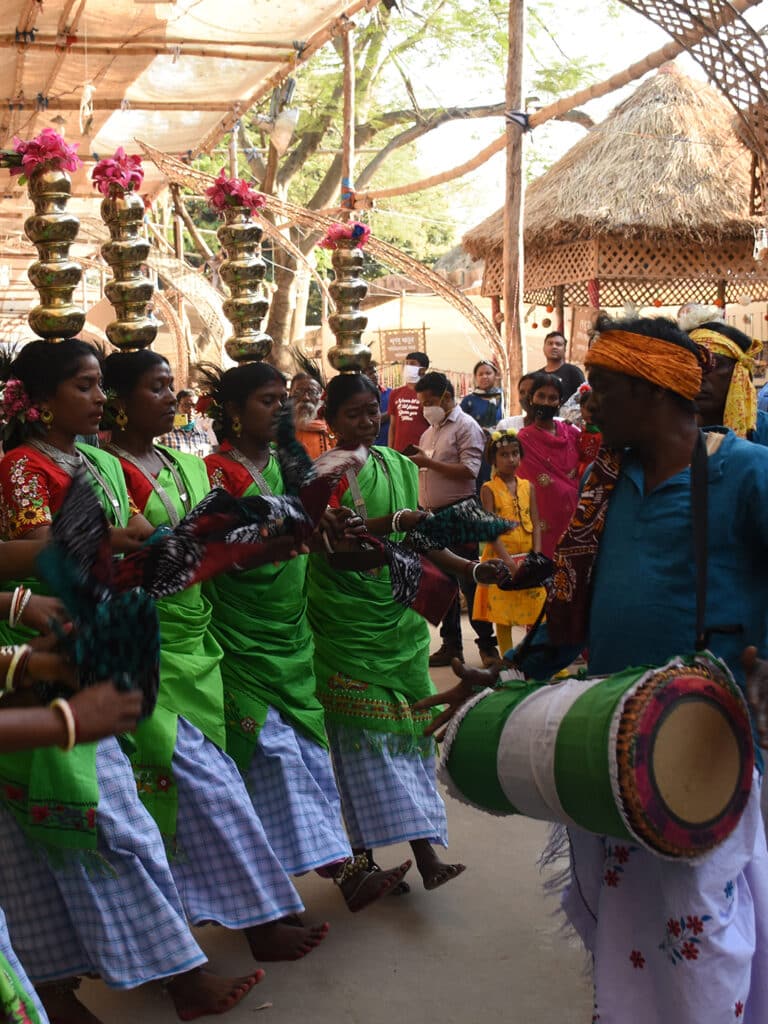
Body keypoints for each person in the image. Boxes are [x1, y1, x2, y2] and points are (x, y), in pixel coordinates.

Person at [422, 315, 768, 1024]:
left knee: (698, 919)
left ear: (654, 392)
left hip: (708, 742)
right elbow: (571, 602)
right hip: (613, 731)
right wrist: (511, 672)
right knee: (630, 917)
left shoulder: (745, 473)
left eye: (604, 390)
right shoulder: (607, 479)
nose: (588, 404)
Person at [0, 339, 262, 1023]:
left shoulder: (91, 462)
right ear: (40, 398)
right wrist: (107, 546)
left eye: (98, 386)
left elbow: (145, 531)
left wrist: (206, 533)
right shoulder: (23, 468)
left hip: (93, 645)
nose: (97, 398)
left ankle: (64, 991)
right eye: (83, 387)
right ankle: (176, 981)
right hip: (44, 656)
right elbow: (45, 553)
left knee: (78, 836)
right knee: (106, 824)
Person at [102, 348, 332, 962]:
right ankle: (252, 927)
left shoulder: (184, 466)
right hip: (142, 644)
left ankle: (222, 928)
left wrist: (274, 545)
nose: (168, 396)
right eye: (155, 387)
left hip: (198, 643)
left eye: (170, 385)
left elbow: (214, 553)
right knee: (209, 785)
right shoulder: (103, 469)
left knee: (211, 785)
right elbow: (128, 561)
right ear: (118, 400)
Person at [200, 360, 411, 911]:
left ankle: (309, 879)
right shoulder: (214, 471)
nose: (282, 412)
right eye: (267, 402)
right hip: (241, 632)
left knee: (306, 759)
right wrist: (291, 536)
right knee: (274, 756)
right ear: (232, 411)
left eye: (283, 402)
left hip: (292, 626)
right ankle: (334, 875)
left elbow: (315, 530)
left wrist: (330, 530)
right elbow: (226, 552)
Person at [307, 372, 503, 891]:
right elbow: (336, 552)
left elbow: (419, 536)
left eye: (374, 410)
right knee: (359, 742)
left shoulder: (397, 461)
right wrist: (395, 525)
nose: (368, 420)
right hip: (346, 628)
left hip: (398, 624)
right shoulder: (324, 473)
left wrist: (473, 570)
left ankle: (426, 856)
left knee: (412, 735)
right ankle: (359, 862)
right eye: (353, 413)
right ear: (329, 421)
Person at [410, 371, 501, 668]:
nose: (426, 408)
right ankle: (451, 646)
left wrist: (427, 463)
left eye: (430, 401)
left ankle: (488, 646)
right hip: (433, 516)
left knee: (469, 581)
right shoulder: (429, 432)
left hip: (460, 510)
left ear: (447, 397)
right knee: (442, 582)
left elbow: (469, 471)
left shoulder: (466, 426)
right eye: (422, 402)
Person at [472, 429, 545, 656]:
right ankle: (508, 662)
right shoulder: (489, 489)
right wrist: (508, 562)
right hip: (500, 561)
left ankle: (540, 659)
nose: (511, 459)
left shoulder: (528, 487)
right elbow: (491, 531)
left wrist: (537, 554)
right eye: (504, 455)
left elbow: (535, 519)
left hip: (527, 558)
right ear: (493, 459)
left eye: (515, 453)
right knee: (503, 616)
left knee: (537, 612)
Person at [517, 372, 581, 559]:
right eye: (541, 396)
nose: (545, 402)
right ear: (531, 398)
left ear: (560, 402)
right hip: (544, 519)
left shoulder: (571, 433)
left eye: (552, 398)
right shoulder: (523, 439)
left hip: (576, 516)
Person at [689, 321, 768, 445]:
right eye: (691, 364)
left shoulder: (764, 431)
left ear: (741, 374)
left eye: (714, 364)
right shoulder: (668, 433)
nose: (699, 375)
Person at [387, 351, 430, 453]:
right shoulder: (395, 393)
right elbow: (392, 426)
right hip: (399, 451)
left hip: (422, 450)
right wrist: (390, 450)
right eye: (406, 363)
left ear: (422, 370)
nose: (407, 367)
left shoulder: (429, 393)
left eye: (412, 364)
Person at [156, 389, 214, 457]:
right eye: (186, 405)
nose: (190, 410)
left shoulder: (205, 435)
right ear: (177, 406)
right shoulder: (164, 433)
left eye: (194, 405)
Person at [290, 372, 336, 458]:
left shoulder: (336, 430)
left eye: (312, 392)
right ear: (290, 396)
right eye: (299, 392)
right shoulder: (277, 432)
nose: (305, 398)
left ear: (321, 397)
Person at [535, 330, 585, 400]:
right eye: (550, 343)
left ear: (564, 350)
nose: (554, 347)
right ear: (544, 348)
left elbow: (584, 398)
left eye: (558, 344)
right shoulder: (537, 375)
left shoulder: (573, 372)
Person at [459, 360, 504, 428]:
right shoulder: (468, 400)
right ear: (476, 378)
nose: (484, 376)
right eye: (480, 374)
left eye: (488, 373)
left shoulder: (503, 397)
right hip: (474, 438)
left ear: (495, 375)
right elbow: (460, 424)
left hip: (502, 437)